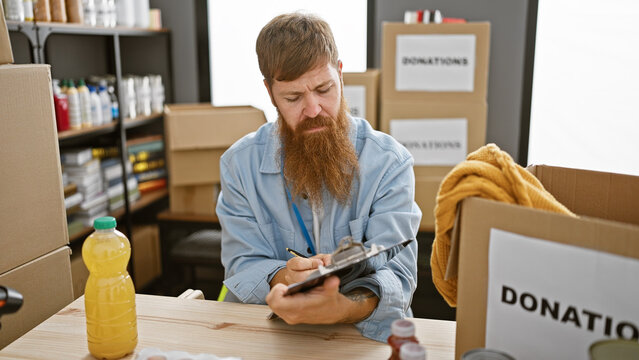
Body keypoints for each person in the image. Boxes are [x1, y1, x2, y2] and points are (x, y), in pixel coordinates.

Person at [216, 12, 421, 342]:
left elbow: (399, 275)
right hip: (274, 337)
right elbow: (242, 263)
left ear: (340, 75)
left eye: (324, 89)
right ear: (270, 94)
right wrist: (284, 276)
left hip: (367, 338)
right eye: (293, 98)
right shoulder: (239, 166)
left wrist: (343, 306)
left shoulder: (389, 163)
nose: (313, 109)